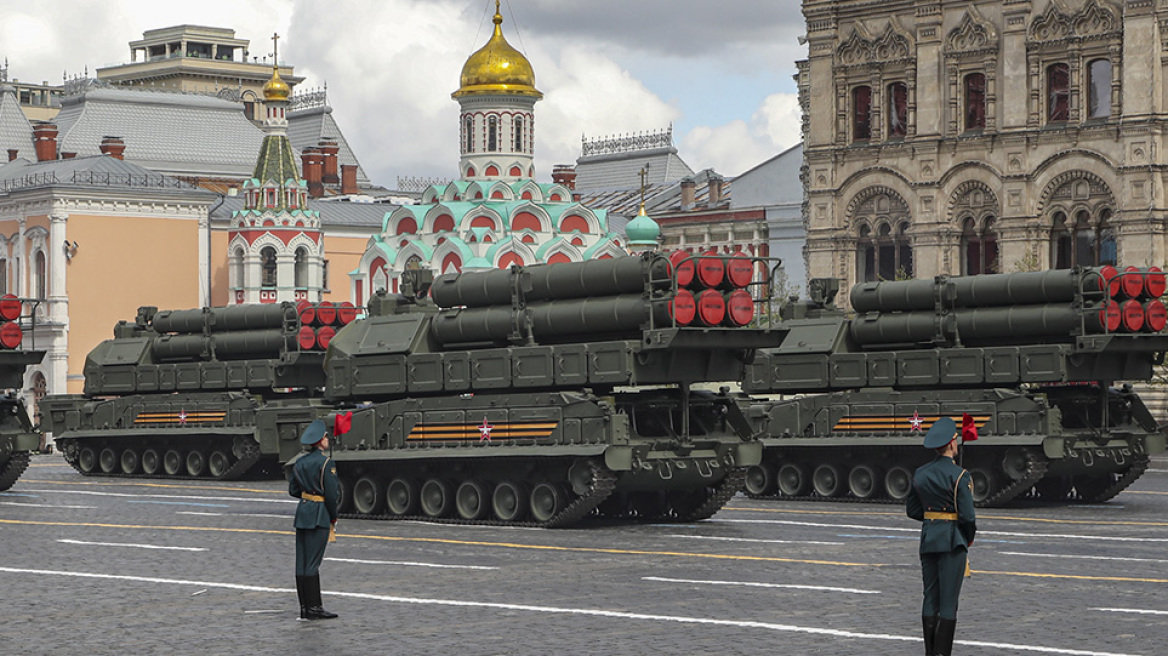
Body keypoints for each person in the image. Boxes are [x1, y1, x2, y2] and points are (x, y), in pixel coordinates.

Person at [906, 416, 977, 656]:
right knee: (948, 602)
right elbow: (967, 517)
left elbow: (912, 510)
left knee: (930, 598)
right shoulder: (960, 475)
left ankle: (930, 652)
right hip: (952, 541)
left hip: (928, 540)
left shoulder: (921, 473)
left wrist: (933, 520)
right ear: (951, 444)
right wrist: (967, 538)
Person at [288, 418, 340, 620]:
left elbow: (293, 490)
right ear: (321, 440)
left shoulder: (300, 462)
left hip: (303, 513)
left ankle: (305, 607)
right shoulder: (327, 462)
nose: (328, 439)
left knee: (301, 563)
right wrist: (333, 518)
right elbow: (332, 494)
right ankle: (315, 608)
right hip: (319, 515)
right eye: (326, 436)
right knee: (312, 564)